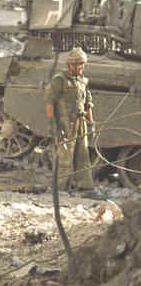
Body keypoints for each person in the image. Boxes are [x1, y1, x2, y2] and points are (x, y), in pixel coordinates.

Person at [44, 47, 103, 199]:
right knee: (65, 157)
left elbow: (88, 103)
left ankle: (85, 187)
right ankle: (60, 189)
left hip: (80, 122)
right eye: (78, 65)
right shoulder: (59, 80)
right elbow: (50, 103)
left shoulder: (83, 81)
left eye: (83, 65)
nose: (81, 68)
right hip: (65, 124)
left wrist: (91, 124)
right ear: (70, 65)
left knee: (83, 156)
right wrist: (54, 127)